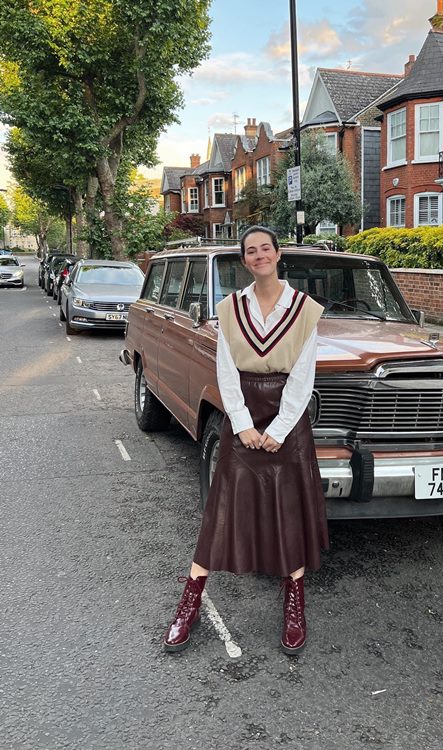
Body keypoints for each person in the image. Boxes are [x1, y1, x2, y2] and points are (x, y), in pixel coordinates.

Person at [163, 226, 329, 655]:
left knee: (287, 507)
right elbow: (225, 371)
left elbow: (304, 375)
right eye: (251, 251)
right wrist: (242, 424)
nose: (259, 256)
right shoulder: (230, 308)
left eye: (265, 249)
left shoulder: (305, 310)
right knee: (223, 507)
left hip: (286, 422)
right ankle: (190, 603)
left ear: (278, 254)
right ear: (244, 261)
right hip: (243, 419)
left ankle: (294, 601)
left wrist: (278, 429)